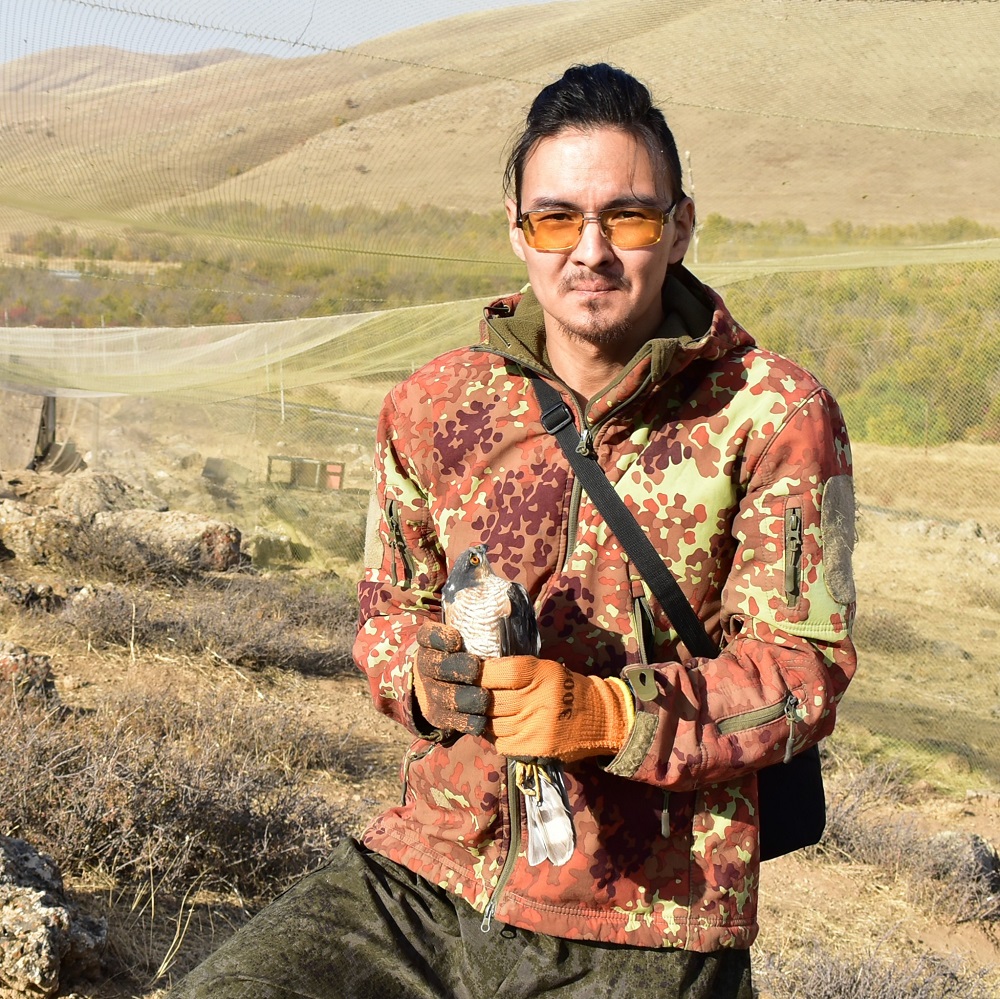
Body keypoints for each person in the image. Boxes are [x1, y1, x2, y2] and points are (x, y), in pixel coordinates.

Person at [169, 62, 857, 999]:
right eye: (556, 218)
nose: (591, 251)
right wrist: (422, 678)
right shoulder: (433, 404)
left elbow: (802, 669)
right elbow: (386, 613)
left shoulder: (775, 414)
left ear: (681, 227)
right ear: (517, 229)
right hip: (428, 871)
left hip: (647, 916)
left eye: (628, 217)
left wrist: (608, 715)